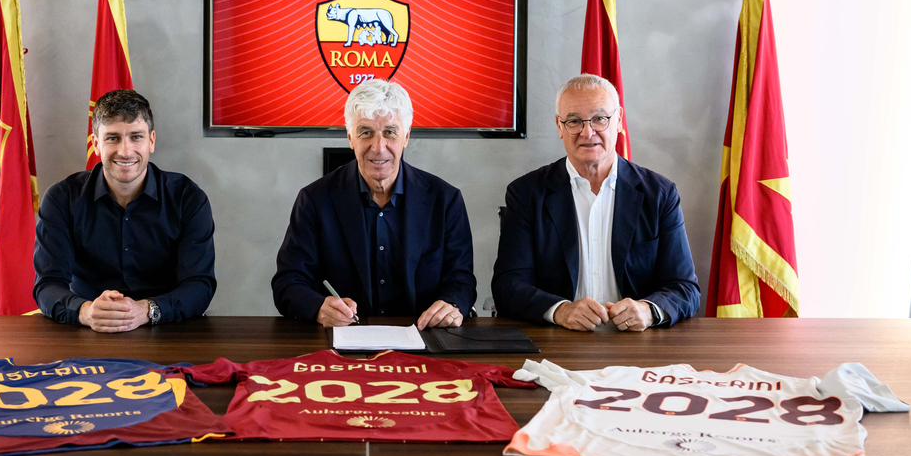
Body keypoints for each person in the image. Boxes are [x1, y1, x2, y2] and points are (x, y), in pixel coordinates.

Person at [493, 74, 700, 331]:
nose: (587, 132)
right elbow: (508, 286)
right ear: (559, 126)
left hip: (637, 344)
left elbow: (684, 288)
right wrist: (560, 311)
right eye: (574, 121)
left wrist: (648, 310)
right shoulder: (526, 193)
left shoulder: (659, 193)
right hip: (556, 342)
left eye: (600, 119)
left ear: (619, 121)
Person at [272, 79, 476, 329]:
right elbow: (288, 282)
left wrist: (452, 304)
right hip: (340, 347)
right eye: (365, 132)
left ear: (406, 137)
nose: (378, 148)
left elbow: (461, 281)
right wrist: (317, 307)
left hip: (425, 341)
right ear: (350, 138)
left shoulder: (445, 200)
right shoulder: (315, 199)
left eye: (390, 132)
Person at [33, 89, 216, 332]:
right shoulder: (62, 198)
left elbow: (199, 285)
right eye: (113, 138)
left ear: (151, 141)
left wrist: (146, 310)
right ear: (96, 144)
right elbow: (47, 284)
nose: (126, 151)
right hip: (87, 331)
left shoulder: (188, 198)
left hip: (170, 331)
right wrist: (85, 311)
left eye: (136, 137)